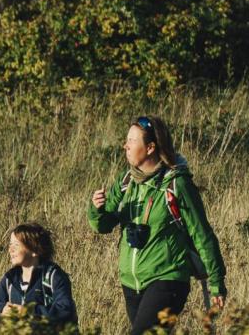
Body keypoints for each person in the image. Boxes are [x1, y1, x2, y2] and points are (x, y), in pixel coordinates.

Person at [88, 116, 227, 334]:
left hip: (168, 279)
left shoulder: (176, 183)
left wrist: (217, 283)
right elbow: (103, 225)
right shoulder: (126, 182)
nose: (126, 145)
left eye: (132, 141)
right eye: (127, 140)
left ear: (151, 147)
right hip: (132, 282)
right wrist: (97, 208)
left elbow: (202, 234)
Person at [0, 221, 78, 327]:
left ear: (34, 249)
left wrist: (29, 312)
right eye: (10, 245)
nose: (10, 250)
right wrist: (2, 311)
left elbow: (64, 310)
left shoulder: (53, 276)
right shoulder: (9, 279)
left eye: (16, 245)